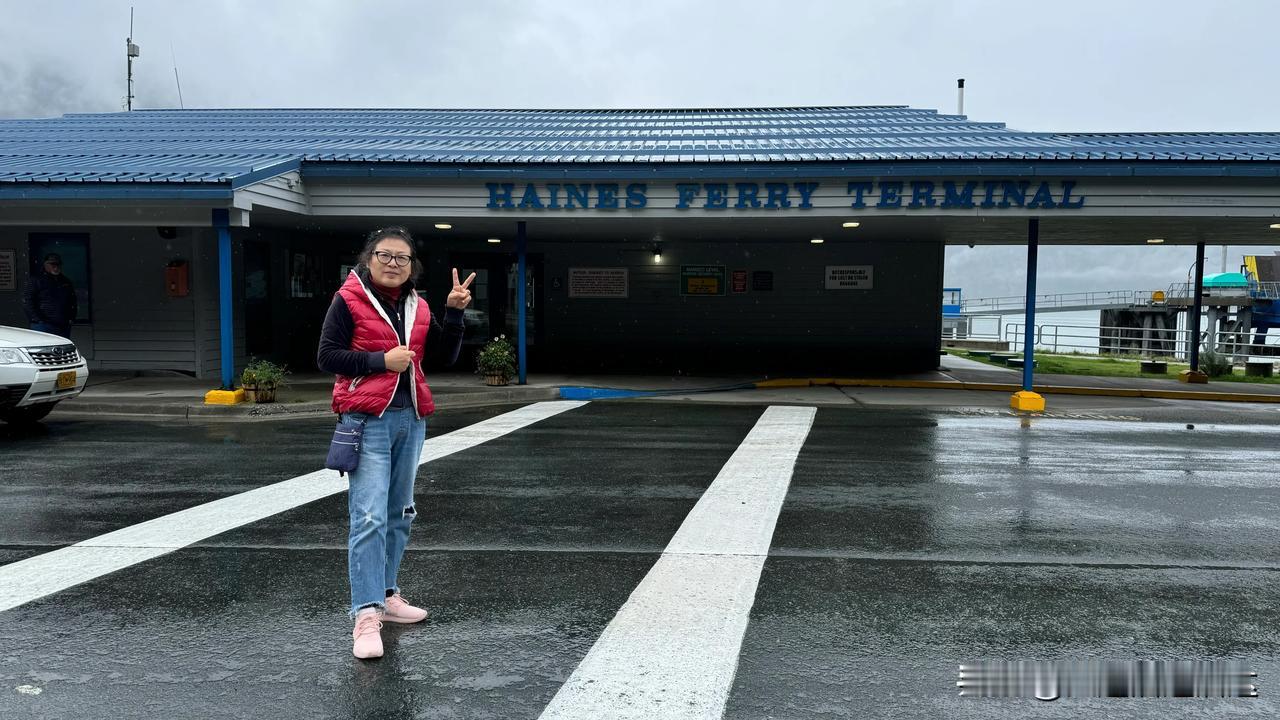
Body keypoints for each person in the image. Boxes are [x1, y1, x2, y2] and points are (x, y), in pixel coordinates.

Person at [316, 226, 474, 660]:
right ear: (369, 259)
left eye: (402, 258)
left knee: (399, 512)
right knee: (368, 516)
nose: (393, 264)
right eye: (385, 255)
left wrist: (454, 313)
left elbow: (442, 357)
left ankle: (386, 596)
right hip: (367, 419)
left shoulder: (418, 305)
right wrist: (379, 361)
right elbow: (327, 356)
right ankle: (365, 614)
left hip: (412, 417)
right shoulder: (347, 299)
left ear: (411, 267)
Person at [23, 253, 77, 339]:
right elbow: (28, 301)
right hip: (43, 326)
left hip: (63, 325)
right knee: (42, 350)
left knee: (61, 350)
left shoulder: (65, 281)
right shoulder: (36, 280)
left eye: (58, 264)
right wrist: (38, 320)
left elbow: (72, 301)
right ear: (45, 265)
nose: (56, 267)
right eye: (52, 264)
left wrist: (71, 318)